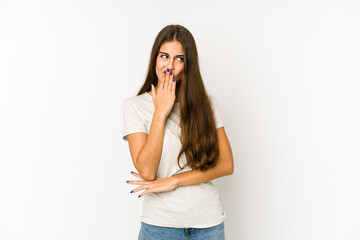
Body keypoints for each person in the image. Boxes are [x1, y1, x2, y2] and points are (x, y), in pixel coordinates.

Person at [122, 24, 234, 240]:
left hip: (208, 224)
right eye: (164, 56)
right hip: (160, 225)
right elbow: (146, 171)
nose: (170, 66)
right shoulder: (134, 106)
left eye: (179, 59)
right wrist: (160, 113)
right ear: (155, 58)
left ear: (188, 64)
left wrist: (173, 181)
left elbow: (226, 165)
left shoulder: (207, 104)